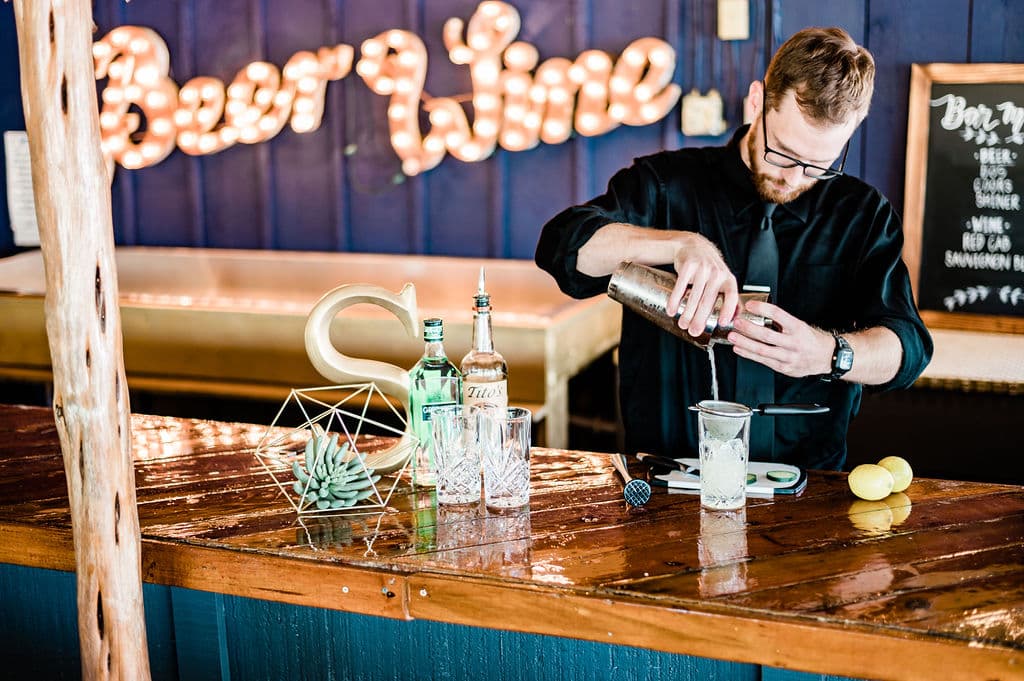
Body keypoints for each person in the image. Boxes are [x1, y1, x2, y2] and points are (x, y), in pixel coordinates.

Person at [534, 27, 932, 470]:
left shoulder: (862, 213)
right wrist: (680, 244)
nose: (794, 178)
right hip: (666, 481)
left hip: (809, 490)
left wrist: (829, 353)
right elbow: (562, 246)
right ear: (757, 102)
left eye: (819, 166)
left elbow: (907, 348)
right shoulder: (665, 183)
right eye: (781, 152)